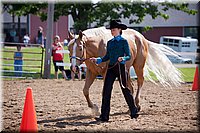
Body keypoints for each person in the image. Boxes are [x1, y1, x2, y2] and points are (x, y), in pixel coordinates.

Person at [90, 20, 139, 122]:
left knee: (125, 89)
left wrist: (123, 59)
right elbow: (107, 56)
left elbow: (129, 56)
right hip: (111, 68)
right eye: (111, 30)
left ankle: (133, 111)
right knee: (106, 91)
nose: (112, 31)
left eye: (114, 29)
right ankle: (104, 116)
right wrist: (98, 60)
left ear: (119, 30)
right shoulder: (110, 43)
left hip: (120, 68)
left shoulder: (124, 42)